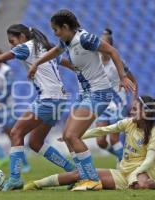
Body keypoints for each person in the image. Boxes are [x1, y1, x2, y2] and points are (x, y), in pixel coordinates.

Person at [0, 24, 75, 191]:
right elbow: (63, 61)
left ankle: (15, 179)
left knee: (16, 132)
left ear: (21, 37)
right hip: (60, 99)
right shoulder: (41, 47)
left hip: (49, 99)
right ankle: (73, 171)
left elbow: (0, 58)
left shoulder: (25, 47)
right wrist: (79, 68)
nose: (12, 45)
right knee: (35, 142)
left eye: (12, 41)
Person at [28, 9, 135, 190]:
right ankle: (82, 176)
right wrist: (37, 64)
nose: (55, 33)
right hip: (84, 94)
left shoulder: (85, 39)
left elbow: (112, 51)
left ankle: (92, 179)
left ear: (66, 27)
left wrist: (123, 77)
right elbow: (55, 51)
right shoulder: (66, 41)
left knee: (72, 135)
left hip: (98, 93)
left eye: (56, 29)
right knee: (66, 137)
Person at [24, 96, 155, 191]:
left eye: (136, 109)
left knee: (142, 184)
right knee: (81, 174)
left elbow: (150, 159)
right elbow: (103, 130)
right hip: (121, 172)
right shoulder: (129, 122)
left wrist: (138, 171)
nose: (131, 111)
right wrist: (77, 135)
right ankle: (36, 184)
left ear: (146, 112)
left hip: (139, 172)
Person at [96, 28, 138, 164]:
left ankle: (125, 163)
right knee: (100, 141)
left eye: (103, 42)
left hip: (118, 103)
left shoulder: (118, 62)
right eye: (99, 42)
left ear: (110, 46)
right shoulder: (95, 62)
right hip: (102, 104)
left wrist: (134, 101)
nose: (100, 45)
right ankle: (122, 156)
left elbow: (134, 81)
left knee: (114, 139)